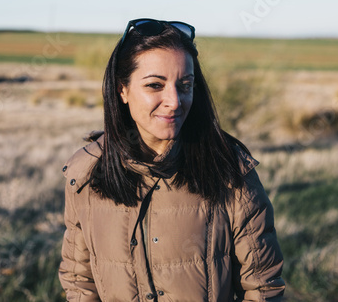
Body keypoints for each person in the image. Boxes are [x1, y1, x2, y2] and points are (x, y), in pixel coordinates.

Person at [58, 18, 285, 301]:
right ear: (122, 90)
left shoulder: (229, 171)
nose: (175, 101)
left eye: (185, 85)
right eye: (155, 85)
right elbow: (80, 283)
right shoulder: (86, 174)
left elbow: (263, 288)